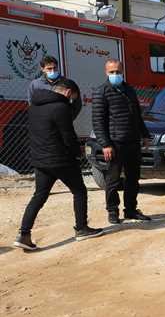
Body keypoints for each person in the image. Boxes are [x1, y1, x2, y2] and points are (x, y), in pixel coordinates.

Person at [13, 78, 102, 250]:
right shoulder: (61, 108)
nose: (72, 101)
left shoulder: (34, 107)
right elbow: (68, 136)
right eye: (73, 97)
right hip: (61, 159)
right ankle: (81, 228)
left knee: (39, 196)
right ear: (68, 92)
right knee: (79, 191)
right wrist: (77, 153)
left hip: (40, 160)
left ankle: (24, 234)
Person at [92, 59, 152, 225]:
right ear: (106, 72)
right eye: (111, 72)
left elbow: (137, 116)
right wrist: (105, 144)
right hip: (114, 143)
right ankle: (112, 211)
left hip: (132, 142)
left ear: (122, 71)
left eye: (118, 71)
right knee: (113, 180)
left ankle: (131, 209)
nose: (115, 75)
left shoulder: (129, 90)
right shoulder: (101, 92)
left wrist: (145, 134)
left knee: (133, 178)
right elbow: (98, 121)